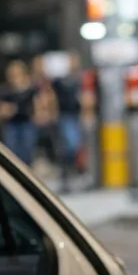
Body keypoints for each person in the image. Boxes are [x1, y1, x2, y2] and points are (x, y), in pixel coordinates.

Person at [0, 59, 37, 166]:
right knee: (11, 153)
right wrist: (3, 110)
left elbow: (34, 107)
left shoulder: (30, 89)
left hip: (26, 123)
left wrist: (15, 108)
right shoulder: (4, 91)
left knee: (26, 153)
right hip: (11, 125)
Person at [53, 52, 83, 188]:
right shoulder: (60, 80)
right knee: (69, 146)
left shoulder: (80, 79)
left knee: (76, 147)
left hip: (78, 115)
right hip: (65, 116)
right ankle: (66, 177)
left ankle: (72, 175)